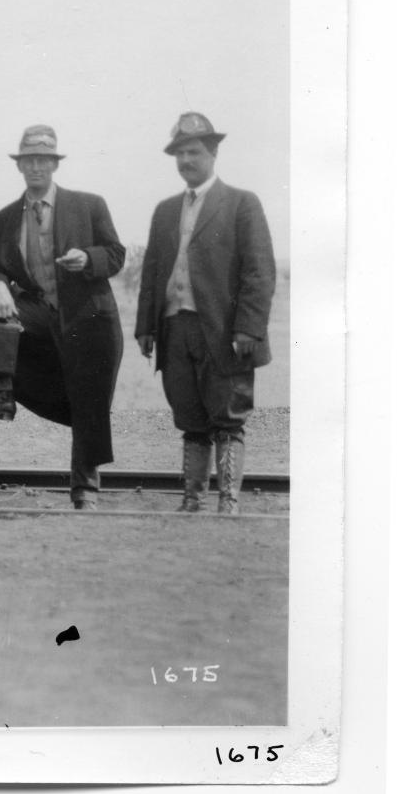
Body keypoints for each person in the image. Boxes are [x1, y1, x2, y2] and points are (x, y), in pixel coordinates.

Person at [0, 126, 125, 510]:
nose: (36, 168)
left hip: (88, 317)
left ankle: (85, 489)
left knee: (88, 399)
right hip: (38, 315)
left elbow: (115, 254)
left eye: (43, 161)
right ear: (20, 167)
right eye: (29, 161)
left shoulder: (89, 205)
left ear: (54, 165)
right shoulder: (4, 219)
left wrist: (88, 259)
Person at [135, 113, 276, 515]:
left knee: (228, 418)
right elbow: (152, 273)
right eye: (179, 153)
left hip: (223, 333)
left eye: (193, 151)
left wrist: (248, 328)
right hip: (176, 330)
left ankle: (228, 503)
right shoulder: (165, 211)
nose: (186, 161)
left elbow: (259, 272)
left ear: (213, 153)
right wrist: (146, 327)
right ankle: (192, 501)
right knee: (190, 417)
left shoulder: (241, 203)